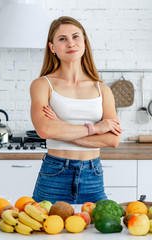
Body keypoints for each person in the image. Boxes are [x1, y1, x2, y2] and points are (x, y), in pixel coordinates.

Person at [30, 16, 121, 204]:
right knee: (46, 231)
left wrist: (61, 127)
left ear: (85, 43)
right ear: (52, 48)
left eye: (75, 37)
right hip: (55, 173)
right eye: (62, 39)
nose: (70, 43)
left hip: (93, 174)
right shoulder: (42, 84)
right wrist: (95, 129)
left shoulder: (102, 89)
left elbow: (112, 139)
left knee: (98, 231)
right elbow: (45, 130)